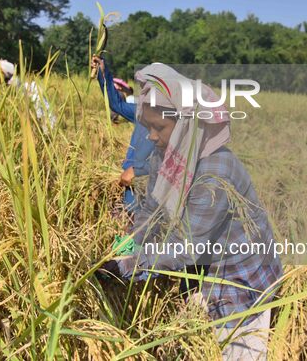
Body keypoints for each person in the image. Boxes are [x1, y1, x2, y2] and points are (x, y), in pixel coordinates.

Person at [102, 63, 283, 360]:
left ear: (187, 124)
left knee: (238, 351)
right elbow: (152, 208)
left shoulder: (215, 171)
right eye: (148, 127)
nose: (150, 137)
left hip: (238, 279)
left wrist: (126, 268)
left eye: (158, 127)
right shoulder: (169, 156)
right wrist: (128, 245)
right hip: (203, 271)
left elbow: (188, 247)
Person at [92, 55, 155, 214]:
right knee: (124, 221)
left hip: (149, 189)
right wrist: (103, 72)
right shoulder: (142, 112)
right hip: (128, 184)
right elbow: (116, 104)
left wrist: (138, 169)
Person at [0, 56, 56, 130]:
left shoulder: (12, 83)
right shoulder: (9, 83)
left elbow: (17, 98)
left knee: (41, 116)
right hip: (29, 97)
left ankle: (46, 132)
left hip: (32, 97)